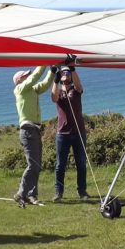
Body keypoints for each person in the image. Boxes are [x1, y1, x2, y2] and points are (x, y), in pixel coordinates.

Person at [12, 66, 53, 206]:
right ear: (19, 80)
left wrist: (52, 72)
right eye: (25, 76)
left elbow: (45, 84)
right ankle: (21, 193)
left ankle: (32, 195)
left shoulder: (32, 90)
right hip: (28, 130)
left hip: (34, 130)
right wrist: (44, 63)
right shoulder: (20, 89)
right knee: (32, 165)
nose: (28, 77)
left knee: (37, 165)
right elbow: (34, 78)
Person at [51, 66, 89, 201]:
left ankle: (82, 191)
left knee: (81, 163)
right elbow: (54, 98)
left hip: (78, 132)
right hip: (62, 134)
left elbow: (79, 86)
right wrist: (55, 81)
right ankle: (58, 192)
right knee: (60, 165)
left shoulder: (75, 90)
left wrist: (72, 69)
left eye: (68, 73)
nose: (65, 74)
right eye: (63, 73)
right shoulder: (59, 91)